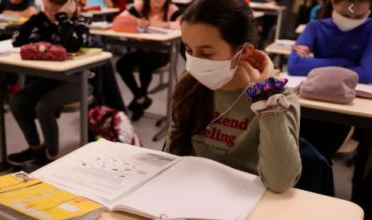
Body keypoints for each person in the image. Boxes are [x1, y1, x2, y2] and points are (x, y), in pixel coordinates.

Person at [164, 0, 302, 193]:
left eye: (206, 53)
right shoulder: (190, 83)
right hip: (191, 192)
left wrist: (265, 99)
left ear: (243, 52)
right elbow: (173, 154)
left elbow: (279, 182)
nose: (194, 62)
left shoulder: (278, 98)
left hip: (249, 200)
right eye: (188, 50)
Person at [8, 0, 125, 166]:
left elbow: (71, 45)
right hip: (50, 78)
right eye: (46, 8)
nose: (48, 12)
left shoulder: (81, 23)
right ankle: (35, 148)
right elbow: (16, 40)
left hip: (80, 80)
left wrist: (63, 17)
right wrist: (36, 18)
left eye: (53, 9)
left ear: (68, 6)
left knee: (44, 106)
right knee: (18, 101)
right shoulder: (42, 20)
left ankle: (51, 157)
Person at [288, 0, 371, 216]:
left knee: (318, 153)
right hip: (310, 104)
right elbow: (295, 65)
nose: (353, 8)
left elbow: (368, 72)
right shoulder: (316, 26)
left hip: (346, 109)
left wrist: (317, 63)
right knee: (300, 148)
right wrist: (345, 63)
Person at [115, 0, 182, 121]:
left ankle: (139, 98)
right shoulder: (140, 6)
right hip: (143, 51)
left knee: (145, 62)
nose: (157, 2)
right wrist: (138, 22)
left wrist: (164, 24)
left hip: (163, 53)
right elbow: (120, 19)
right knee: (121, 64)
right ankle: (140, 96)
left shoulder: (172, 9)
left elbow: (185, 23)